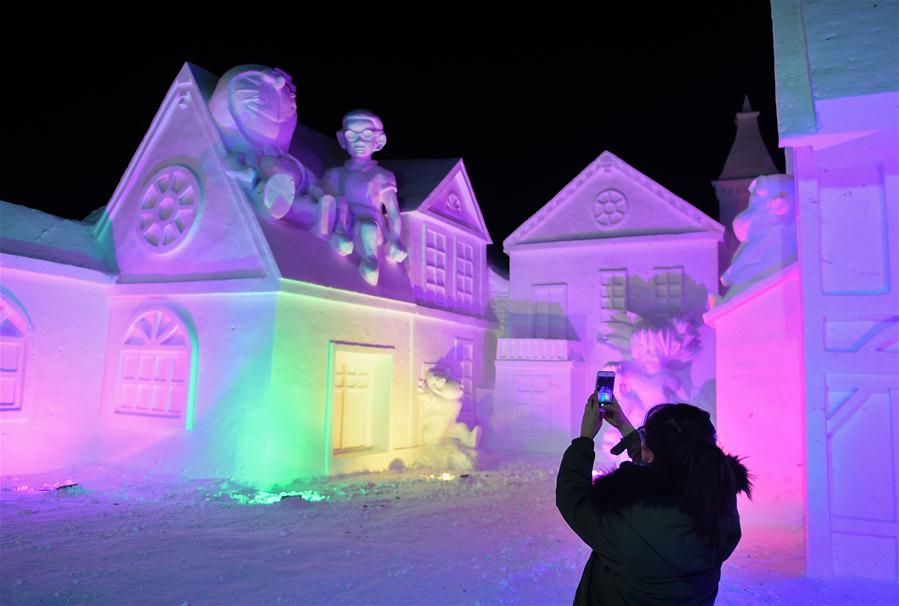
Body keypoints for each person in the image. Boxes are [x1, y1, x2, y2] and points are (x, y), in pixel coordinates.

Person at [556, 394, 752, 605]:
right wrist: (626, 429)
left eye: (645, 438)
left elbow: (573, 498)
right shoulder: (719, 503)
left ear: (650, 454)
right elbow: (672, 470)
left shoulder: (629, 520)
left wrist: (585, 439)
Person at [320, 109, 408, 285]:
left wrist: (395, 238)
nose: (359, 141)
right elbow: (325, 199)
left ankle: (370, 261)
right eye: (352, 135)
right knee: (341, 203)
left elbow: (393, 212)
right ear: (342, 139)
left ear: (379, 141)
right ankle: (340, 236)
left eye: (367, 135)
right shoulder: (335, 174)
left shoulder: (382, 176)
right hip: (343, 219)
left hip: (371, 223)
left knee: (366, 227)